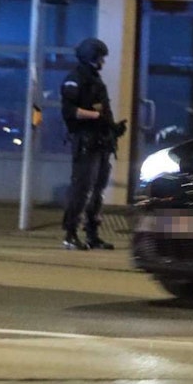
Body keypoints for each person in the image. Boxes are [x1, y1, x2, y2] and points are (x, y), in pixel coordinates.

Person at [59, 37, 126, 251]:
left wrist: (114, 128)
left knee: (98, 191)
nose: (103, 62)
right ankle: (70, 234)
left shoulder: (95, 80)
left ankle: (92, 234)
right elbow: (69, 111)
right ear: (90, 57)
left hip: (101, 143)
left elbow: (104, 110)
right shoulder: (75, 79)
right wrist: (94, 116)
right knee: (82, 189)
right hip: (86, 142)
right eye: (100, 58)